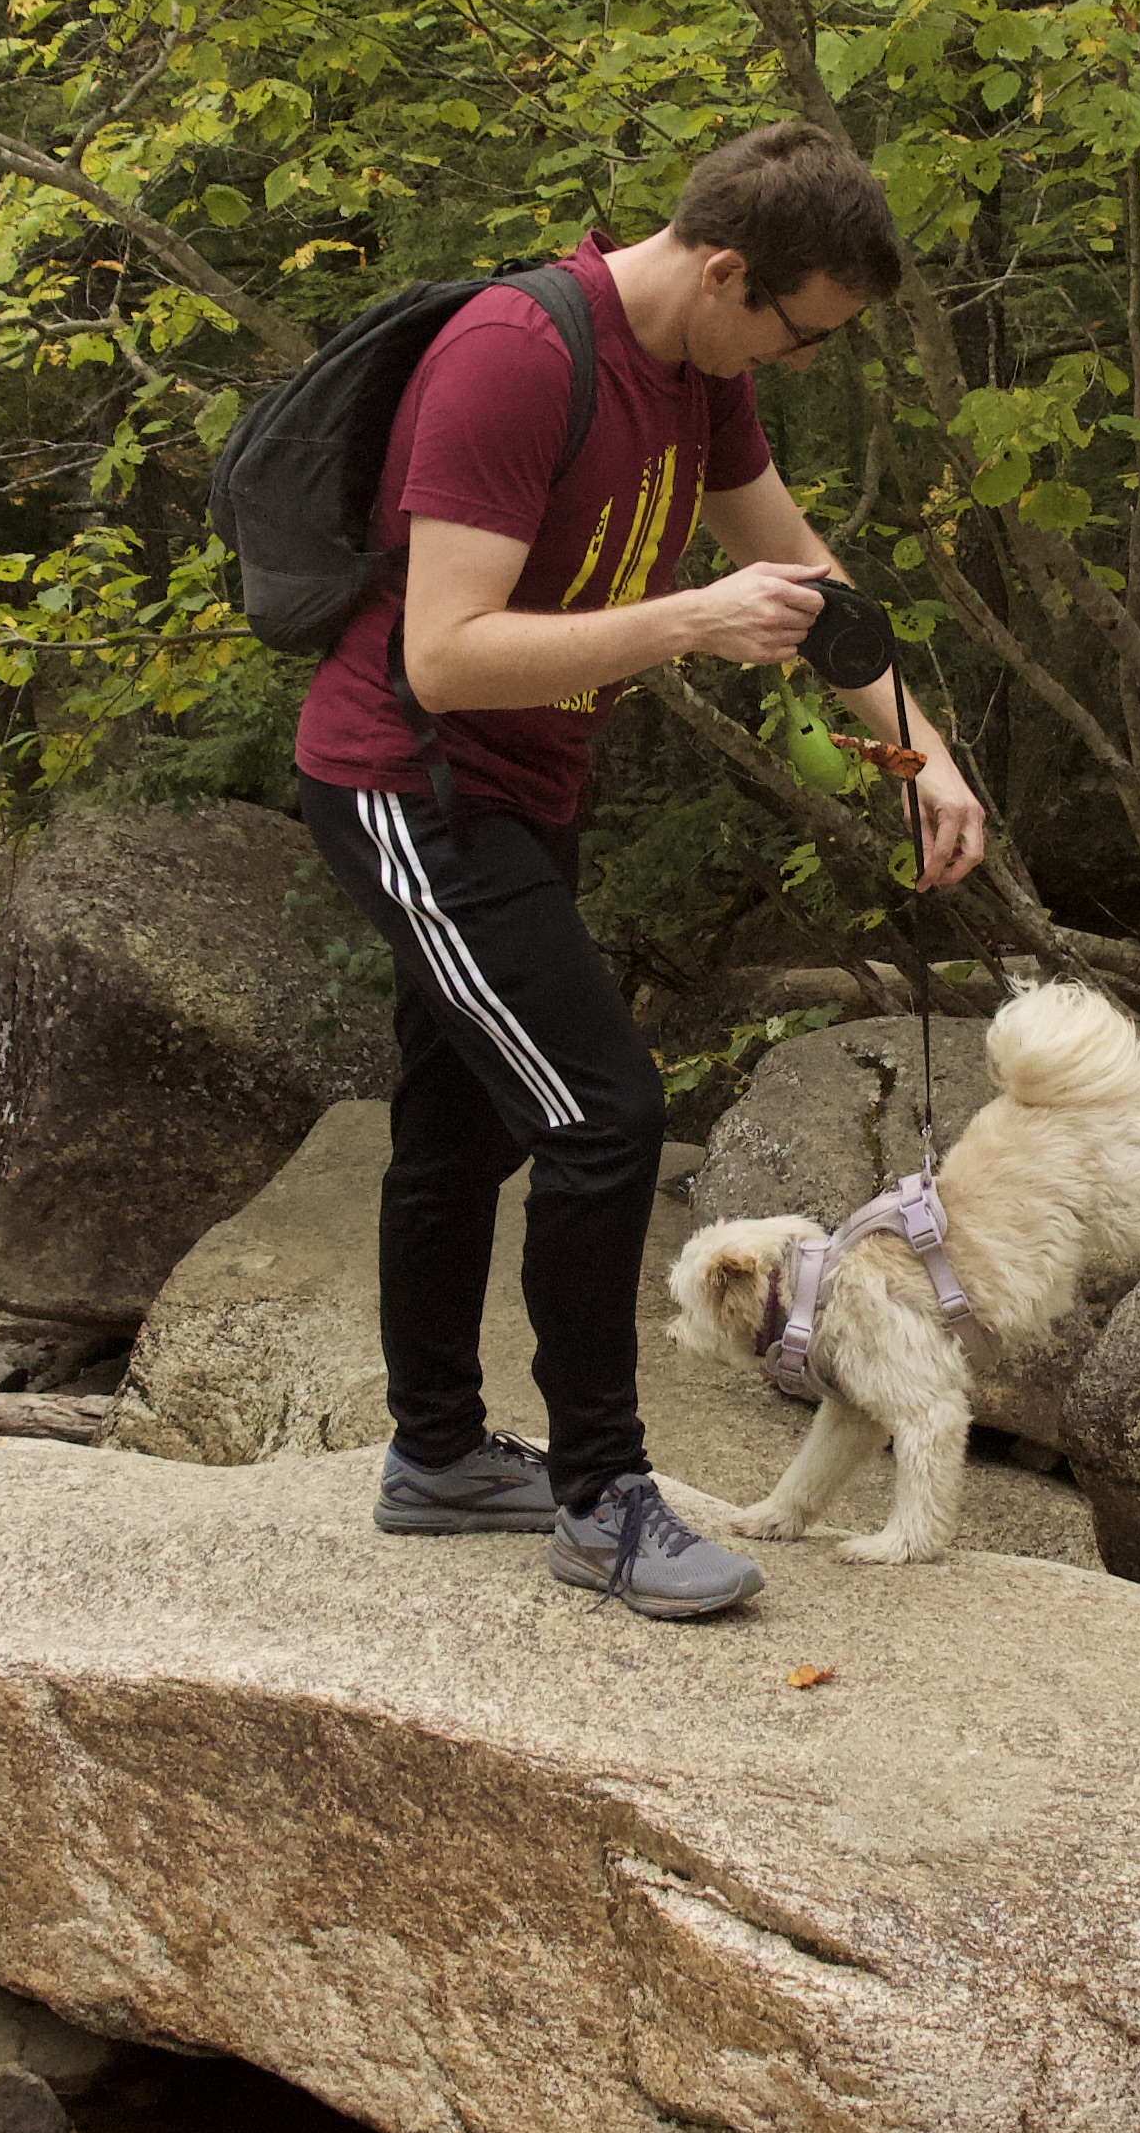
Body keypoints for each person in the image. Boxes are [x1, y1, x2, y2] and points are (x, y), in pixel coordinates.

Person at [295, 120, 989, 1618]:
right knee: (603, 1108)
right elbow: (448, 653)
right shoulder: (517, 356)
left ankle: (434, 1456)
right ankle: (605, 1498)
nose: (799, 362)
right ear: (730, 270)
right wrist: (688, 619)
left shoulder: (701, 374)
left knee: (466, 1118)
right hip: (410, 784)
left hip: (522, 787)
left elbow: (809, 583)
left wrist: (920, 748)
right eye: (799, 330)